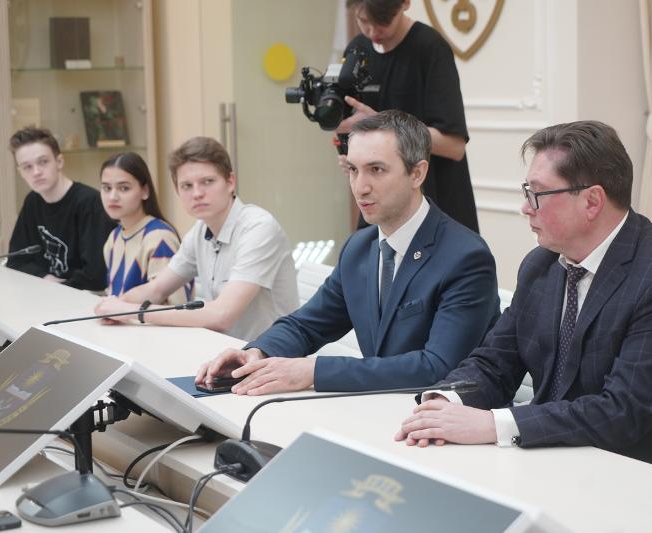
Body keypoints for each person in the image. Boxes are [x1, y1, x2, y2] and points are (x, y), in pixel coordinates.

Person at [395, 120, 652, 466]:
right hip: (555, 458)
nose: (525, 208)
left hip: (634, 472)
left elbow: (622, 411)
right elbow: (494, 362)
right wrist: (445, 403)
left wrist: (493, 424)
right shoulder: (542, 264)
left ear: (592, 201)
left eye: (537, 194)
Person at [196, 110, 499, 394]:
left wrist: (315, 371)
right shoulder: (359, 248)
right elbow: (307, 325)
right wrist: (256, 353)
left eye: (376, 170)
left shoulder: (465, 257)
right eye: (353, 170)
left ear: (417, 174)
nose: (360, 187)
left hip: (446, 419)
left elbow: (438, 367)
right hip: (378, 408)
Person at [94, 137, 299, 340]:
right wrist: (114, 306)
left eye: (207, 182)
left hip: (270, 355)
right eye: (187, 186)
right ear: (177, 190)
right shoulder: (200, 230)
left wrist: (134, 312)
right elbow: (157, 289)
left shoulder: (258, 228)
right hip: (222, 348)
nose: (197, 193)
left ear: (230, 182)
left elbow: (222, 315)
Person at [336, 0, 479, 233]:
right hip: (381, 211)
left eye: (382, 22)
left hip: (435, 205)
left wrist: (380, 127)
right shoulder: (357, 51)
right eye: (363, 21)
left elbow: (454, 146)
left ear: (405, 4)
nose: (372, 31)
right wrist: (351, 157)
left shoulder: (430, 48)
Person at [6, 126, 114, 290]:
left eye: (43, 162)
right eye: (27, 167)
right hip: (46, 293)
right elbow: (15, 260)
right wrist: (43, 277)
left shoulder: (90, 203)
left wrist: (57, 287)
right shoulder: (32, 201)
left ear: (59, 162)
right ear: (20, 172)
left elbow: (96, 275)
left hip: (85, 297)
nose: (36, 172)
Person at [100, 152, 191, 304]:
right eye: (107, 188)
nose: (112, 197)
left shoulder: (159, 238)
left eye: (124, 188)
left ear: (145, 191)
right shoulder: (114, 237)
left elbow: (175, 306)